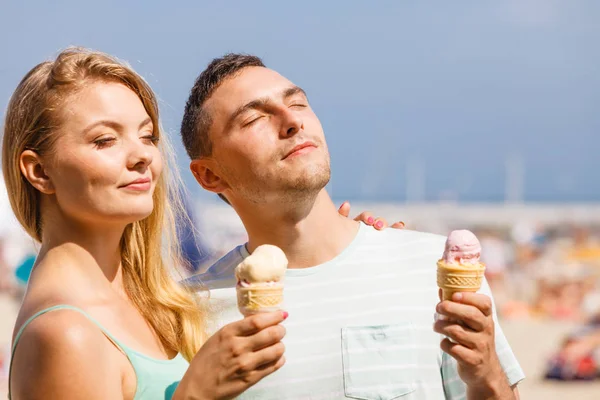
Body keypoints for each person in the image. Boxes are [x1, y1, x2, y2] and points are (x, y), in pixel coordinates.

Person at [180, 54, 525, 399]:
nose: (291, 121)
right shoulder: (185, 313)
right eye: (254, 118)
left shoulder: (432, 265)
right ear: (210, 175)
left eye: (298, 103)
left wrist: (487, 376)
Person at [4, 47, 290, 400]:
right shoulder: (65, 333)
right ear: (39, 171)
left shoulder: (152, 302)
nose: (142, 155)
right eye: (105, 140)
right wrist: (195, 393)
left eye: (147, 136)